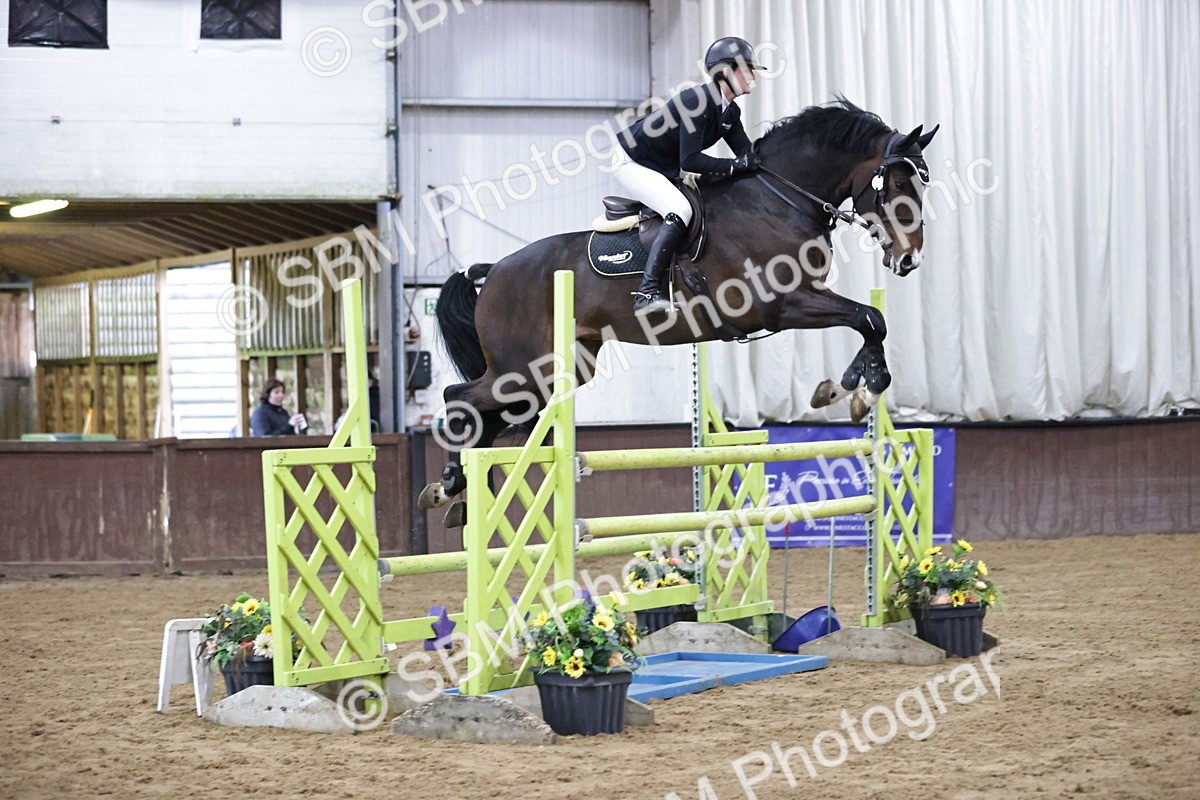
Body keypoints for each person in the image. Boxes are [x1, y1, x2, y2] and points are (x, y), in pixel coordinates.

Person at [614, 36, 764, 313]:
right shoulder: (696, 100)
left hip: (660, 164)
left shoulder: (729, 111)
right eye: (748, 69)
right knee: (679, 209)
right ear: (727, 72)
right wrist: (734, 166)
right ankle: (646, 293)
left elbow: (747, 155)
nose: (754, 76)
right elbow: (691, 160)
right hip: (632, 160)